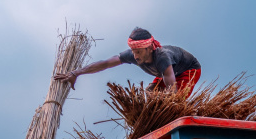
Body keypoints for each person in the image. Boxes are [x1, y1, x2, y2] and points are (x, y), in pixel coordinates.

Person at [55, 27, 201, 95]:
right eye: (133, 51)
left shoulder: (162, 57)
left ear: (149, 48)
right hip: (166, 71)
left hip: (188, 70)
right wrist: (76, 73)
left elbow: (172, 92)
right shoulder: (133, 55)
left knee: (171, 101)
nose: (135, 56)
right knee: (150, 93)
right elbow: (105, 63)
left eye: (138, 52)